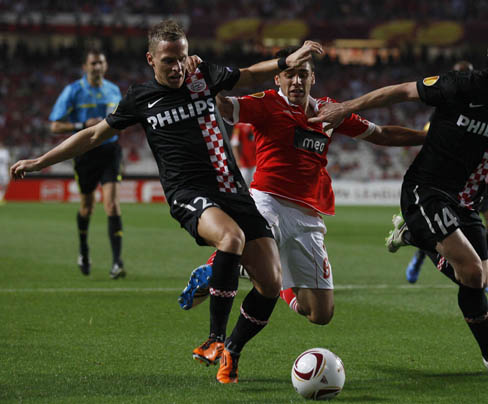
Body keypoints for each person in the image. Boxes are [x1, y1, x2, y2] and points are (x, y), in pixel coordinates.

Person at [11, 19, 323, 384]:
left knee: (270, 282)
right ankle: (213, 340)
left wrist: (290, 60)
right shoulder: (140, 98)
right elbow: (94, 134)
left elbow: (250, 74)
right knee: (231, 238)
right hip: (189, 193)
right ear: (150, 59)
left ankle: (232, 352)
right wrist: (40, 162)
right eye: (167, 61)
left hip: (233, 189)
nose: (176, 67)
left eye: (181, 57)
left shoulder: (202, 75)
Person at [310, 27, 488, 377]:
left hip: (466, 201)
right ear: (487, 61)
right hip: (425, 189)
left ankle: (417, 237)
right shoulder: (460, 85)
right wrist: (346, 107)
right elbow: (401, 91)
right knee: (474, 273)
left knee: (477, 277)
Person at [191, 47, 426, 326]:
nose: (297, 81)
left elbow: (383, 134)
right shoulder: (266, 103)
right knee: (258, 244)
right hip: (268, 202)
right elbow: (226, 107)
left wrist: (429, 137)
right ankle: (219, 265)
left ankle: (268, 278)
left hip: (308, 216)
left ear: (313, 78)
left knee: (319, 313)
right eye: (289, 75)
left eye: (303, 75)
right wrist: (209, 78)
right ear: (277, 79)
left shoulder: (330, 112)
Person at [403, 60, 488, 294]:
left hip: (481, 182)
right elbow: (427, 141)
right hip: (449, 184)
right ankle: (421, 248)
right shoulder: (446, 112)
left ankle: (483, 277)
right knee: (445, 231)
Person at [48, 47, 125, 278]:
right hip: (84, 153)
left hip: (110, 150)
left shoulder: (114, 90)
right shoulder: (73, 91)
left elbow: (120, 120)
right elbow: (54, 125)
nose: (97, 67)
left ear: (106, 65)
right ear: (85, 67)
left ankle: (117, 263)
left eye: (101, 62)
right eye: (93, 63)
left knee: (111, 204)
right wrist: (81, 126)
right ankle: (83, 251)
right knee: (87, 207)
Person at [230, 122, 257, 186]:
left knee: (255, 187)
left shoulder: (257, 123)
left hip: (257, 162)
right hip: (244, 163)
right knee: (243, 186)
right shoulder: (239, 125)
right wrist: (237, 160)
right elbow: (234, 144)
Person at [0, 140, 9, 204]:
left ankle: (1, 198)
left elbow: (8, 163)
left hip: (4, 171)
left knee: (5, 185)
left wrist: (9, 171)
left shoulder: (5, 152)